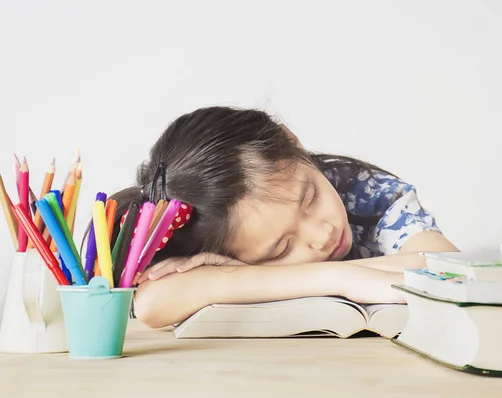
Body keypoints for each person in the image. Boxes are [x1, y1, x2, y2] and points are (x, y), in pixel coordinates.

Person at [108, 106, 458, 328]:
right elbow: (153, 304)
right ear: (230, 256)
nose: (322, 235)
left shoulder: (370, 193)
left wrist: (266, 271)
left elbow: (448, 266)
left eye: (310, 198)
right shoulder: (216, 236)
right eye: (281, 249)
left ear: (295, 144)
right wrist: (340, 277)